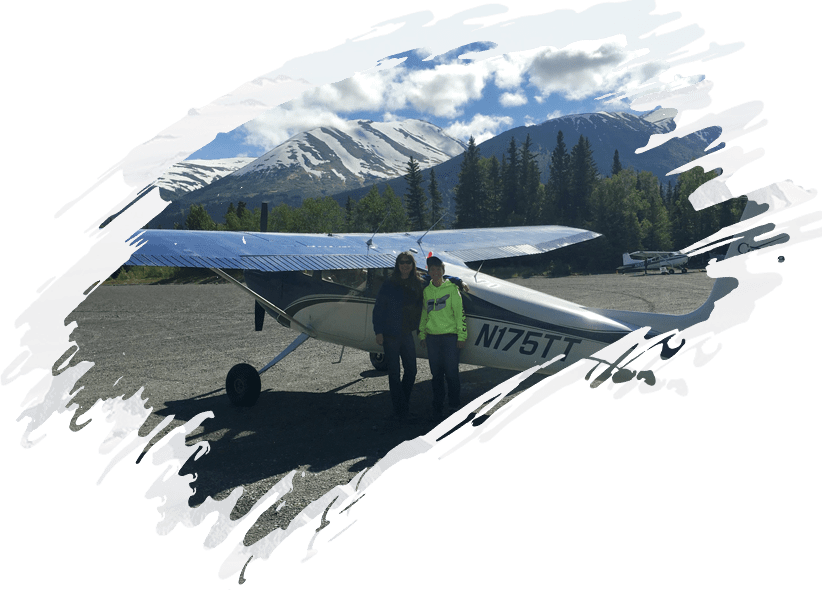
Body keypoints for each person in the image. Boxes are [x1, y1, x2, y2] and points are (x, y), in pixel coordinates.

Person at [372, 252, 424, 420]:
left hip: (406, 333)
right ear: (398, 264)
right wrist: (378, 332)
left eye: (408, 262)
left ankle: (402, 406)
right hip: (390, 334)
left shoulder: (417, 282)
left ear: (412, 264)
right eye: (402, 262)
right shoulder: (389, 283)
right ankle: (401, 410)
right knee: (394, 372)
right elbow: (378, 308)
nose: (405, 264)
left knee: (412, 370)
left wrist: (458, 281)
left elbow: (438, 276)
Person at [418, 256, 468, 420]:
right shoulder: (427, 291)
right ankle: (437, 406)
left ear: (443, 271)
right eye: (432, 270)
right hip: (432, 338)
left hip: (450, 338)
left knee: (452, 374)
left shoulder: (452, 289)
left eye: (438, 269)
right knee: (436, 375)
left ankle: (454, 405)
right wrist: (422, 333)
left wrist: (461, 336)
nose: (435, 272)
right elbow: (425, 313)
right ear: (429, 272)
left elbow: (460, 313)